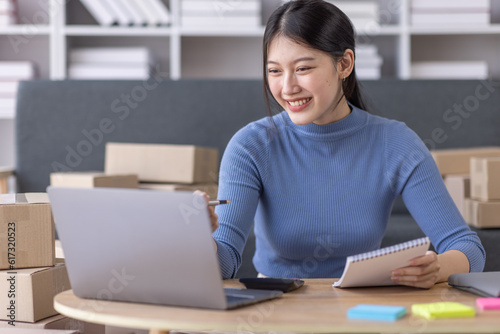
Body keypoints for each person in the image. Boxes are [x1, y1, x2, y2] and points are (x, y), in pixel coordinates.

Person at [200, 0, 485, 289]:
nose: (287, 88)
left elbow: (467, 247)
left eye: (302, 68)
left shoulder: (396, 143)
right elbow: (225, 265)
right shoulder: (250, 147)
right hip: (277, 305)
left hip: (363, 305)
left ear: (344, 64)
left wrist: (436, 268)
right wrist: (199, 236)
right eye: (274, 71)